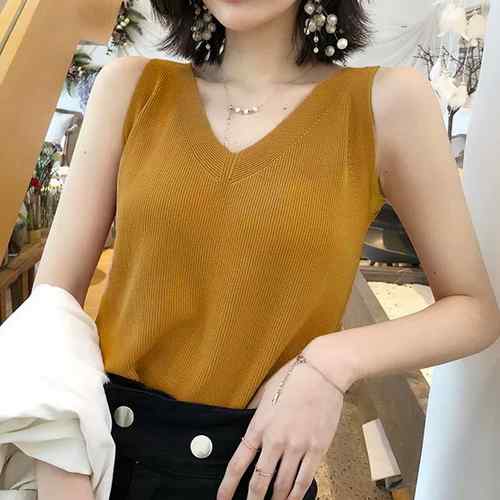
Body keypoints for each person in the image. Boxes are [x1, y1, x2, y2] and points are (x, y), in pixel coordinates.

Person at [31, 0, 500, 499]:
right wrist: (60, 463)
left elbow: (473, 309)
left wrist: (331, 361)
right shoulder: (131, 87)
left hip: (254, 472)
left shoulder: (386, 104)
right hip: (100, 458)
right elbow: (52, 307)